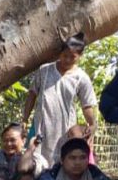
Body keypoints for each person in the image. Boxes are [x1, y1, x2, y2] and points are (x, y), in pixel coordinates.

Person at [22, 33, 98, 164]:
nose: (68, 60)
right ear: (59, 53)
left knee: (63, 161)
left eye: (73, 57)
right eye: (65, 56)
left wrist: (92, 124)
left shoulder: (81, 77)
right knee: (35, 161)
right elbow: (32, 95)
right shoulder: (44, 71)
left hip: (66, 129)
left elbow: (87, 105)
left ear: (80, 56)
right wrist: (24, 119)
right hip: (41, 124)